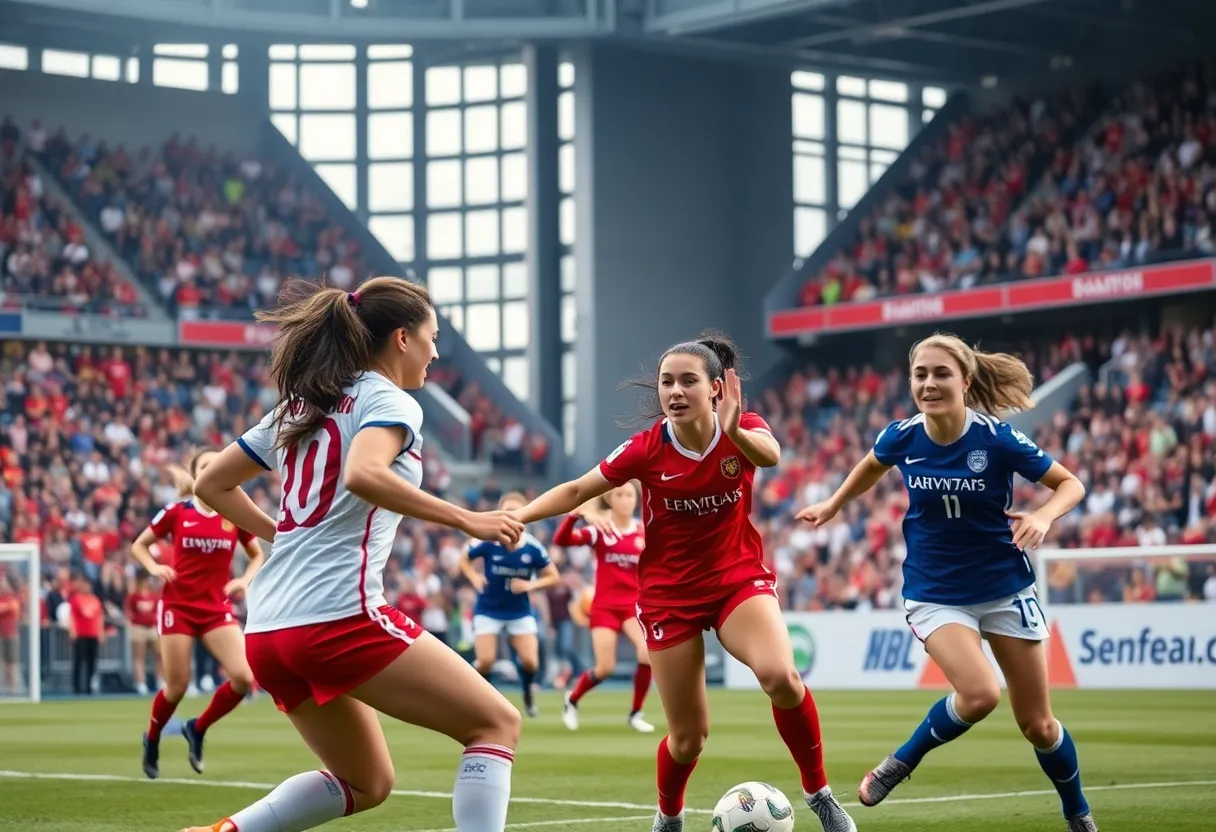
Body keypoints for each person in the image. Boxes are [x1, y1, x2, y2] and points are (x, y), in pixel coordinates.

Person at [183, 276, 525, 832]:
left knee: (367, 782)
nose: (436, 351)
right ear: (402, 339)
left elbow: (212, 485)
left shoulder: (304, 402)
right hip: (337, 618)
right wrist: (467, 519)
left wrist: (283, 537)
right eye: (432, 336)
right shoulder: (389, 399)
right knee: (496, 724)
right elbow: (363, 474)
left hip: (268, 630)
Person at [512, 332, 856, 832]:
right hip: (668, 597)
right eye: (666, 382)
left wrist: (735, 429)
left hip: (736, 580)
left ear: (717, 388)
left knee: (783, 678)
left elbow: (770, 455)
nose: (674, 391)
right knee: (689, 737)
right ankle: (669, 817)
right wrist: (518, 517)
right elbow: (576, 489)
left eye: (688, 381)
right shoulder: (646, 449)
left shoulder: (745, 431)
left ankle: (820, 794)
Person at [796, 333, 1096, 832]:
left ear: (965, 380)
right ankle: (901, 762)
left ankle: (1078, 814)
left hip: (1005, 587)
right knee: (979, 694)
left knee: (1039, 726)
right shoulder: (903, 436)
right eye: (921, 374)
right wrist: (833, 504)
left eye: (941, 373)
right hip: (935, 591)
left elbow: (1071, 484)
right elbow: (871, 466)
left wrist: (1043, 516)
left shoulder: (996, 438)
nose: (929, 383)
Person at [131, 451, 266, 780]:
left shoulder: (233, 514)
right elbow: (139, 545)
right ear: (196, 476)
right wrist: (154, 566)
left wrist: (244, 580)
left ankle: (198, 728)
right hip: (178, 606)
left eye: (217, 464)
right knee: (176, 687)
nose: (214, 470)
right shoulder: (178, 511)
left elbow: (256, 554)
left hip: (215, 607)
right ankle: (152, 737)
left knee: (244, 678)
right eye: (206, 466)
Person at [552, 483, 655, 733]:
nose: (625, 499)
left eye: (630, 495)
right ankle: (572, 699)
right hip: (605, 606)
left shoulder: (644, 531)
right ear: (610, 500)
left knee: (647, 654)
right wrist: (574, 516)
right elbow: (562, 540)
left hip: (632, 606)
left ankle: (635, 713)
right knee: (605, 668)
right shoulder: (601, 530)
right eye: (619, 494)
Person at [458, 491, 561, 718]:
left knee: (530, 662)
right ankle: (481, 703)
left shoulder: (532, 547)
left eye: (516, 510)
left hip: (519, 611)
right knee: (485, 661)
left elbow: (553, 576)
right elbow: (464, 558)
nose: (511, 515)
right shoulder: (488, 540)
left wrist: (529, 586)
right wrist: (474, 577)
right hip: (489, 608)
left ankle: (527, 694)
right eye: (506, 510)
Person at [124, 571, 163, 695]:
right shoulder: (133, 596)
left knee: (159, 654)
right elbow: (128, 610)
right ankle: (141, 682)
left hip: (152, 627)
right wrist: (131, 622)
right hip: (138, 627)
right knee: (139, 657)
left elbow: (158, 609)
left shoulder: (154, 595)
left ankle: (160, 680)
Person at [67, 573, 104, 695]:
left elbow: (99, 617)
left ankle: (89, 686)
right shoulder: (75, 599)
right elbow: (72, 616)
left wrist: (100, 632)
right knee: (78, 661)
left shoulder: (95, 600)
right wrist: (73, 631)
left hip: (92, 634)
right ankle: (76, 687)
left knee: (91, 662)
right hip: (81, 634)